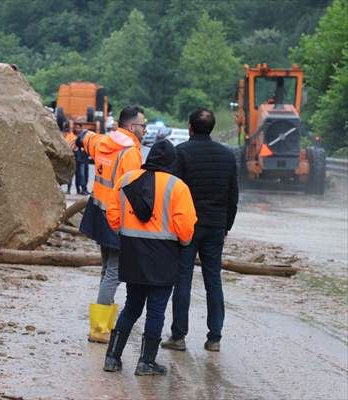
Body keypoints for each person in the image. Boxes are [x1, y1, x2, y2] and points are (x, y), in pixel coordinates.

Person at [103, 139, 196, 375]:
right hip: (163, 257)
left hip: (133, 253)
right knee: (156, 310)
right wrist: (182, 242)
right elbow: (185, 229)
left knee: (132, 306)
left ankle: (112, 358)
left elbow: (112, 215)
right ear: (171, 161)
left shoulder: (126, 180)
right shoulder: (178, 187)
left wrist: (126, 231)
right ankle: (146, 363)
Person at [161, 107, 238, 352]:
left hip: (187, 226)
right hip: (216, 226)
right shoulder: (227, 156)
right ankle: (215, 337)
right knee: (213, 280)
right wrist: (226, 225)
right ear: (212, 128)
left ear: (190, 127)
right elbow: (233, 196)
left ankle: (178, 336)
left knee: (182, 278)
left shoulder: (180, 153)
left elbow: (172, 192)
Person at [76, 106, 144, 343]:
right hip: (117, 216)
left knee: (107, 269)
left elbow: (88, 140)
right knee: (114, 272)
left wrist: (80, 136)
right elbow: (134, 190)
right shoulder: (131, 153)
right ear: (132, 126)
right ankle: (100, 328)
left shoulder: (105, 141)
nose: (145, 130)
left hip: (99, 211)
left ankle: (101, 324)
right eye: (143, 125)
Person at [72, 118, 90, 195]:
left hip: (84, 157)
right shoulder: (72, 136)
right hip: (77, 158)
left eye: (79, 127)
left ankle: (84, 188)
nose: (77, 129)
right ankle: (80, 189)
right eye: (76, 127)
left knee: (85, 174)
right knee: (80, 174)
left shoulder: (84, 136)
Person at [62, 121, 76, 194]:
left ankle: (68, 189)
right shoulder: (65, 136)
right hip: (66, 157)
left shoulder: (71, 137)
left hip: (68, 158)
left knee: (69, 174)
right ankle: (67, 189)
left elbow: (72, 147)